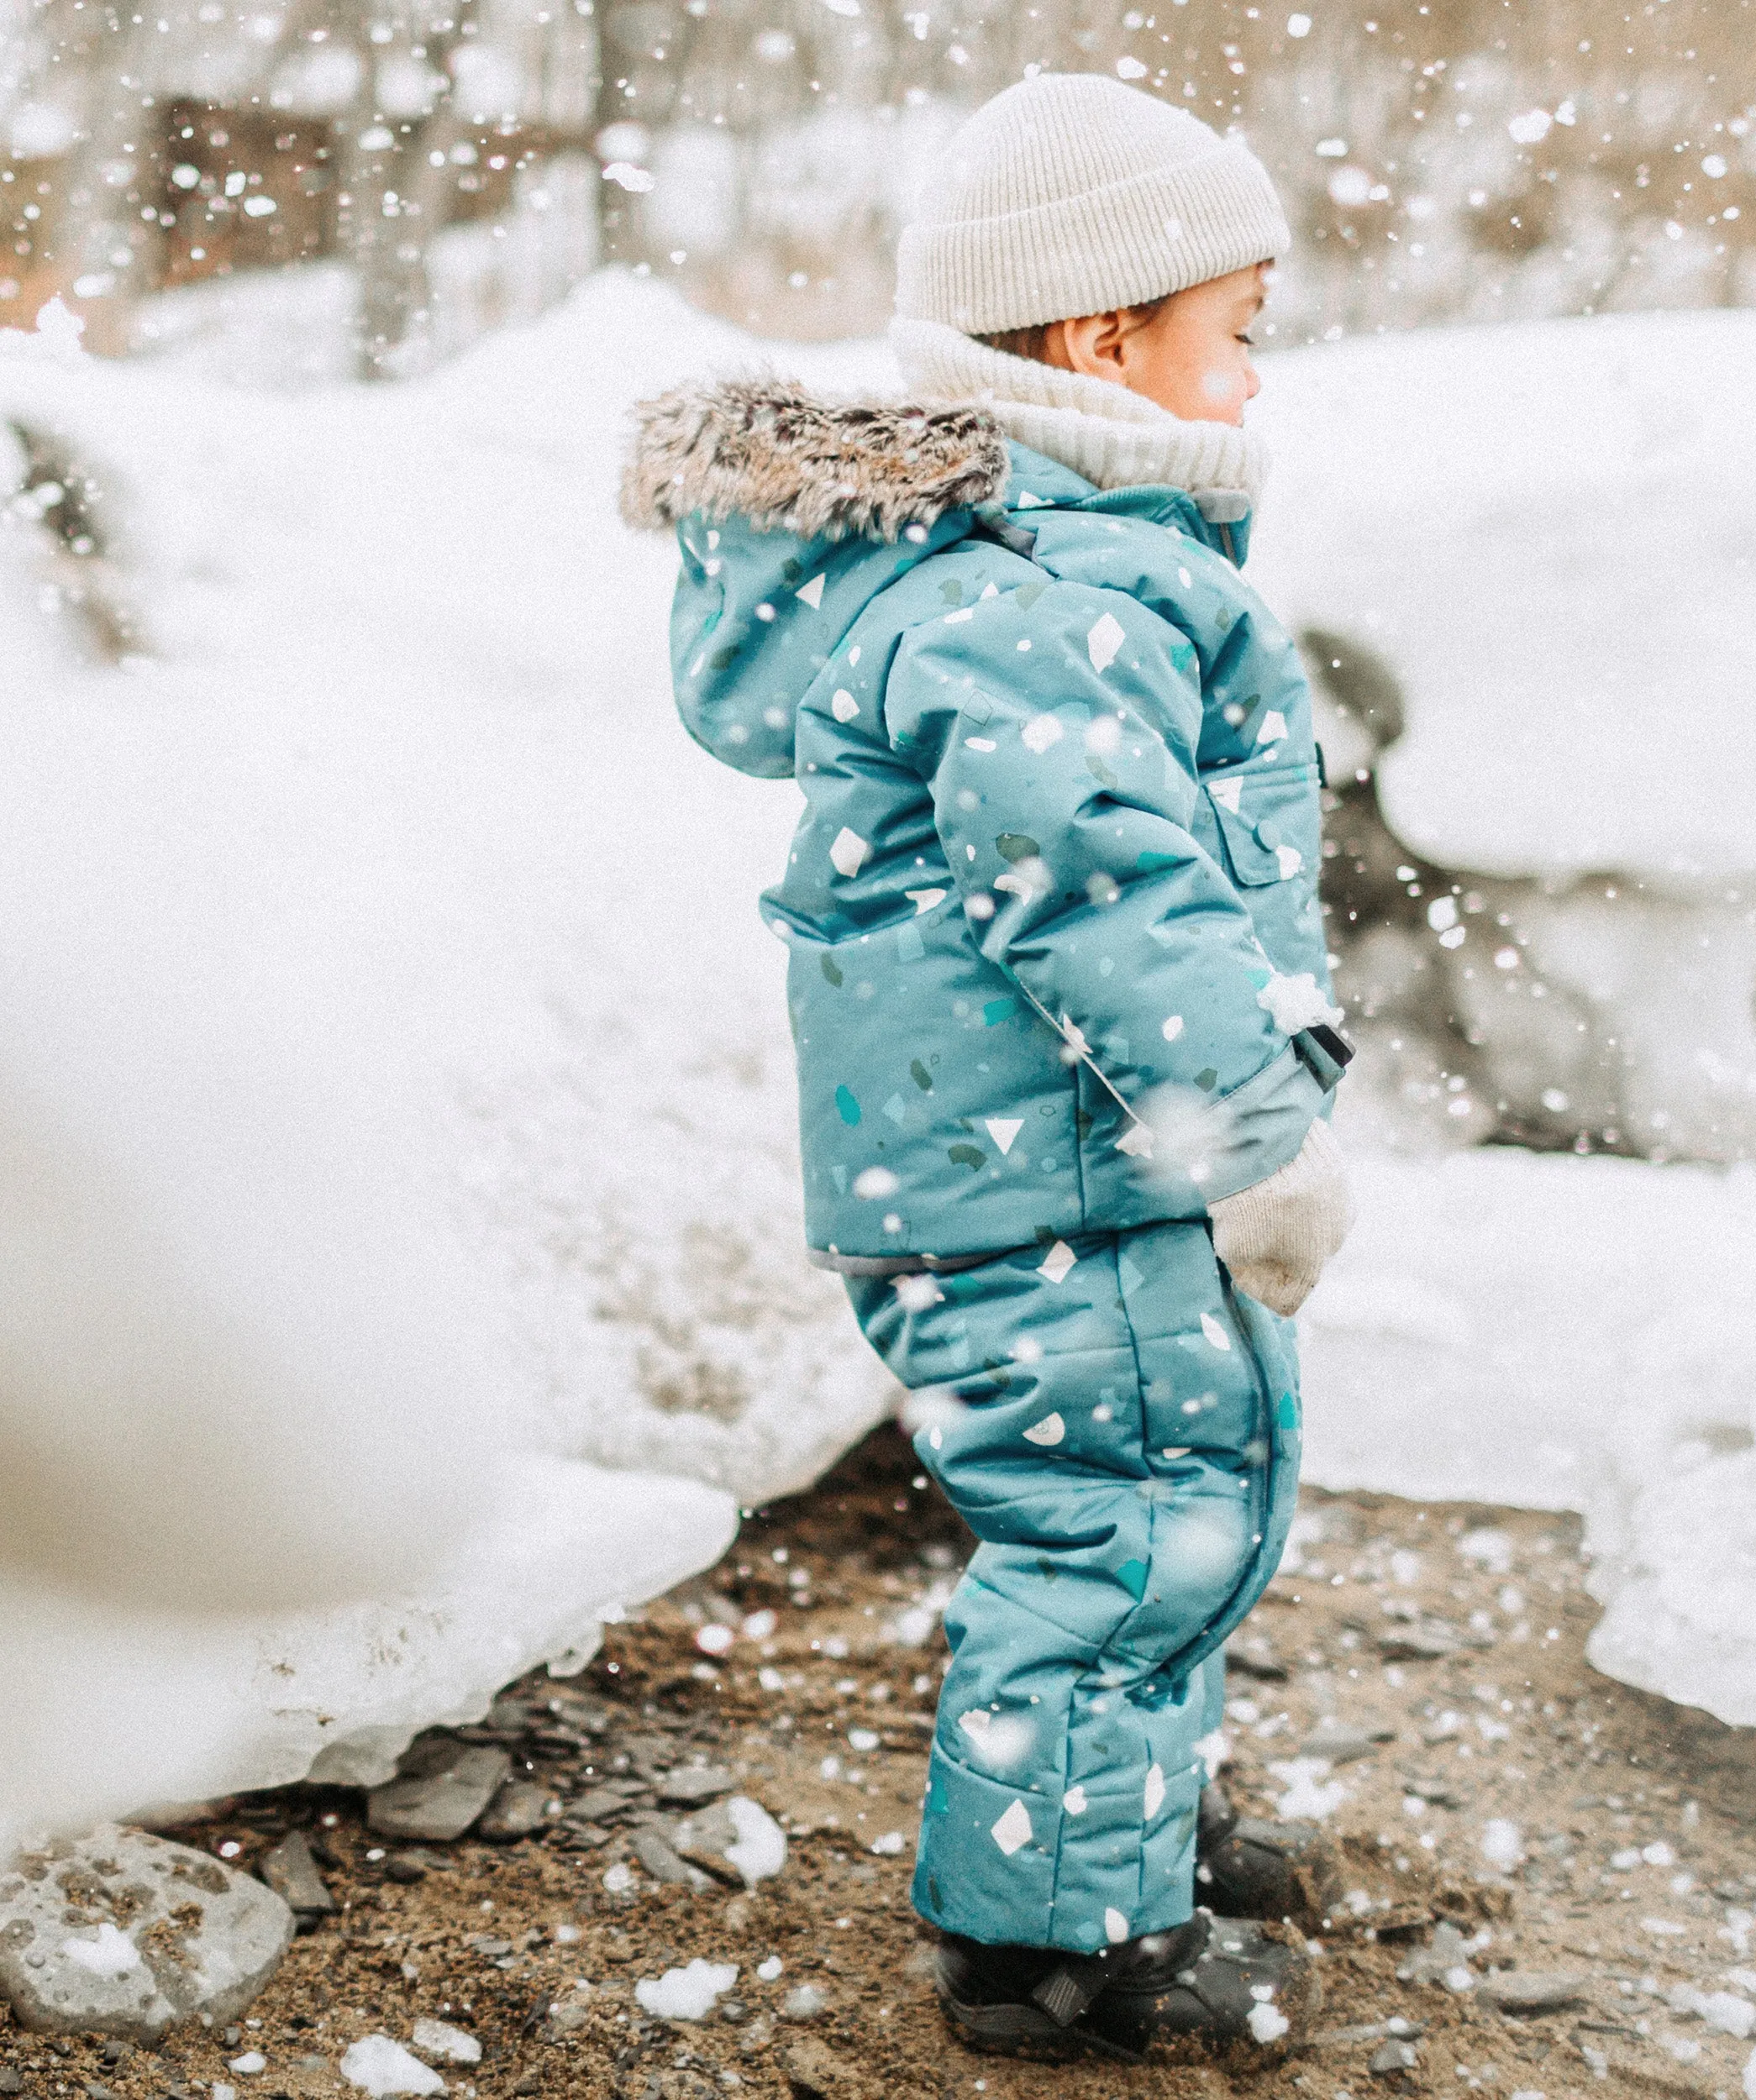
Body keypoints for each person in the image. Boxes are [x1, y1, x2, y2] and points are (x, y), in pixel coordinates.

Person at [624, 70, 1356, 2061]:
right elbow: (1104, 894)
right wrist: (1252, 1132)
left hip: (1055, 1167)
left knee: (1181, 1487)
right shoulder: (1032, 599)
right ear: (1103, 337)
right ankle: (1049, 1942)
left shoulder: (1056, 568)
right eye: (1238, 333)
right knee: (1115, 1521)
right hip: (1061, 1174)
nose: (1253, 383)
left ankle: (1121, 1823)